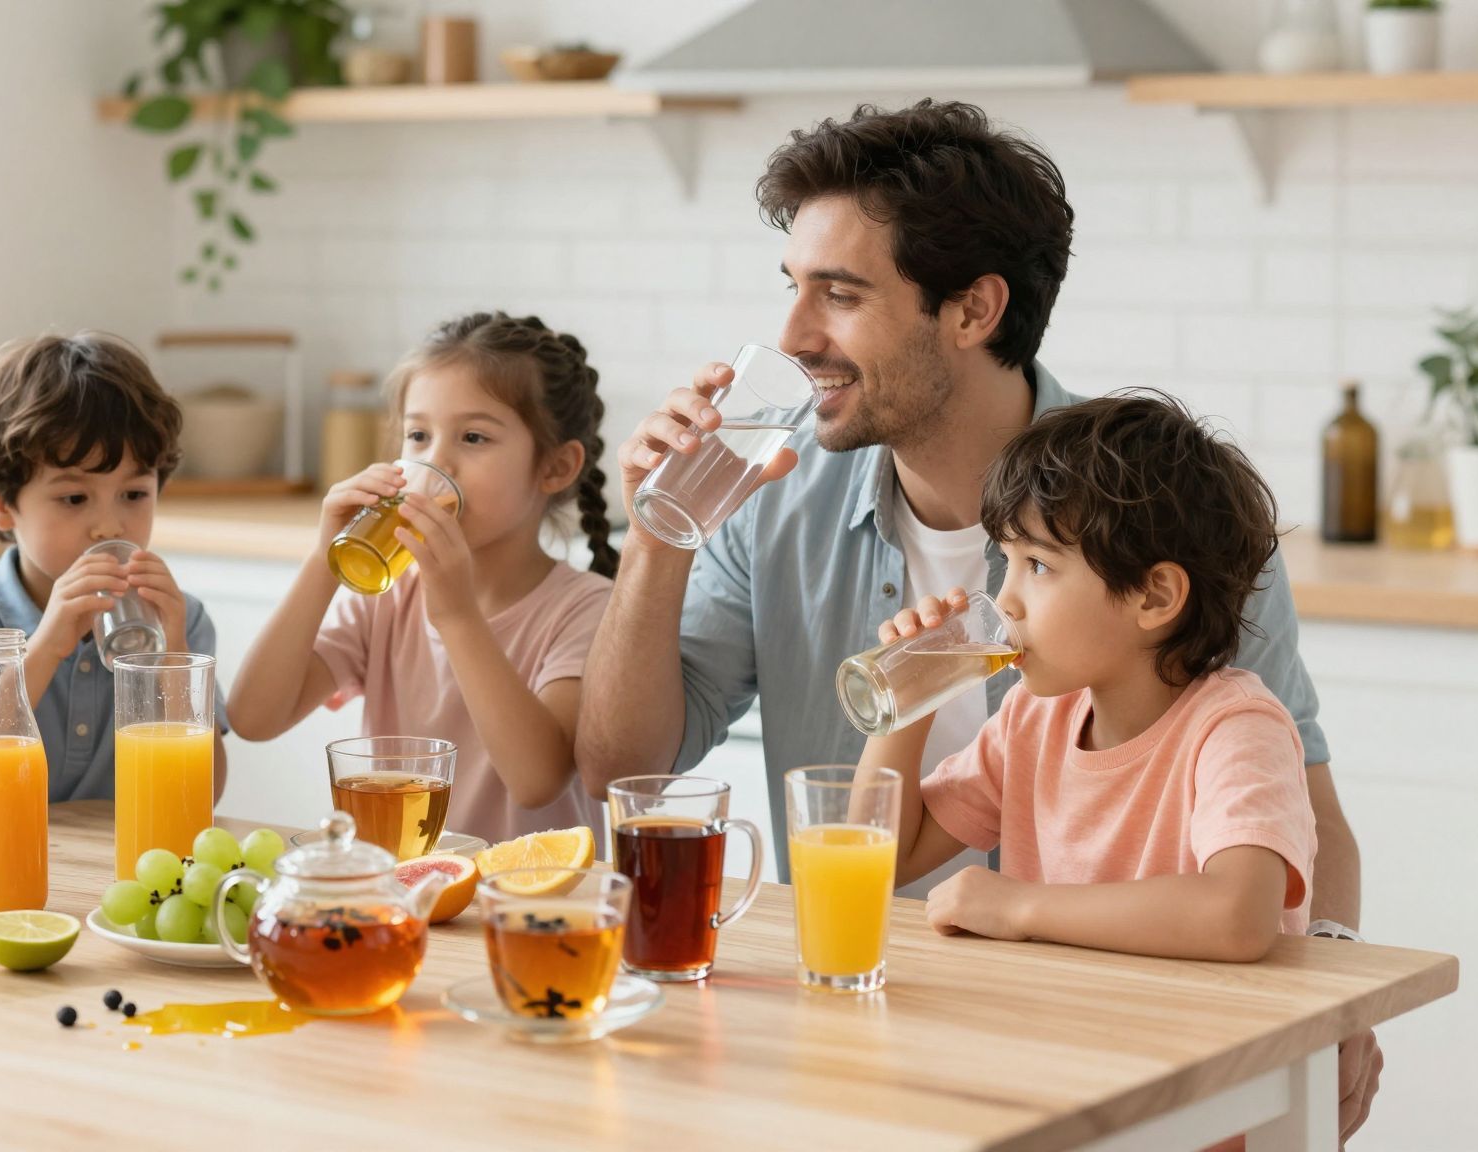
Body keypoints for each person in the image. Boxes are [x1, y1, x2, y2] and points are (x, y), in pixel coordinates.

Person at [574, 100, 1380, 1138]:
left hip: (1122, 1050)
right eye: (792, 288)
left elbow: (1304, 830)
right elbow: (618, 769)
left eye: (840, 293)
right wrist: (658, 530)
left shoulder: (1169, 526)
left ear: (970, 310)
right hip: (867, 1026)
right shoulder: (765, 497)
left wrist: (1333, 993)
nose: (790, 336)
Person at [867, 393, 1316, 965]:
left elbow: (1238, 916)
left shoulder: (1237, 731)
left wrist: (1021, 908)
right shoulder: (1033, 722)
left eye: (1039, 566)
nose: (1005, 601)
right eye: (1007, 562)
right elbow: (877, 860)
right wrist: (907, 699)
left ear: (1154, 596)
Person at [229, 311, 618, 841]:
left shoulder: (587, 609)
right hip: (401, 897)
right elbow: (253, 718)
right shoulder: (385, 596)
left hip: (525, 905)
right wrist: (323, 562)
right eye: (417, 435)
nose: (437, 463)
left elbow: (536, 781)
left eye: (474, 438)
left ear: (554, 468)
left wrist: (457, 615)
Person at [0, 333, 227, 805]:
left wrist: (172, 660)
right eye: (74, 499)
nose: (110, 525)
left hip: (125, 868)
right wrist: (44, 647)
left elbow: (200, 794)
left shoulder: (179, 618)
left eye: (134, 494)